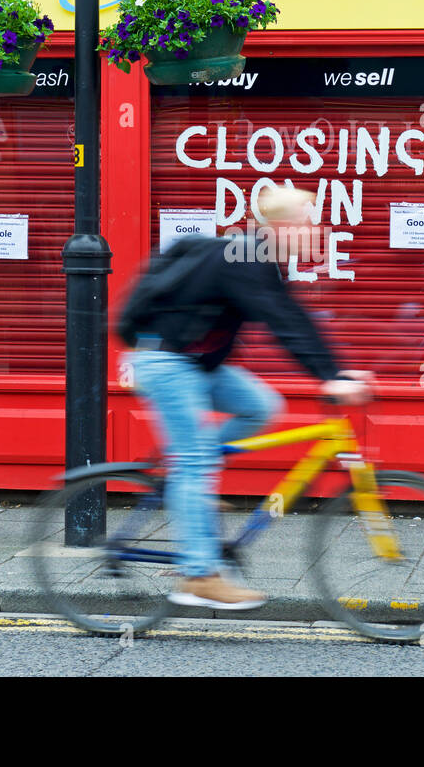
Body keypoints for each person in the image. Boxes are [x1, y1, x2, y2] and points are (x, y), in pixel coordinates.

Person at [121, 185, 372, 610]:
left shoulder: (263, 261)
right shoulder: (247, 256)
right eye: (310, 219)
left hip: (197, 364)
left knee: (262, 406)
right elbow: (284, 323)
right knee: (196, 461)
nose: (318, 228)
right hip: (164, 362)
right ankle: (198, 576)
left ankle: (191, 476)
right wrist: (330, 378)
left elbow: (294, 318)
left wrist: (336, 373)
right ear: (283, 226)